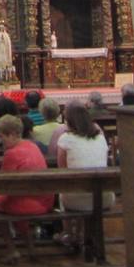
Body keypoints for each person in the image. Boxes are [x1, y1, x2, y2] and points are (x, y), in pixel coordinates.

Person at [56, 102, 115, 250]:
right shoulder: (100, 137)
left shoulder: (65, 139)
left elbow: (62, 170)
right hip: (104, 197)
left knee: (66, 188)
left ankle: (70, 234)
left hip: (77, 198)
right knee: (82, 186)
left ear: (69, 121)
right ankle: (82, 234)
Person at [0, 114, 54, 220]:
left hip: (26, 204)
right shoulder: (32, 145)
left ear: (12, 135)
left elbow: (3, 185)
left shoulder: (12, 153)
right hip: (45, 201)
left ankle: (11, 236)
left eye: (1, 136)